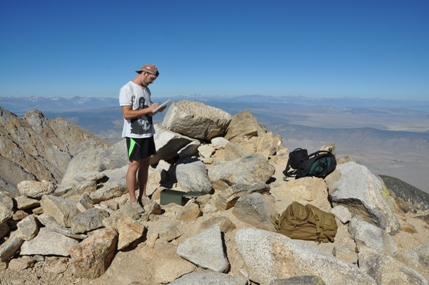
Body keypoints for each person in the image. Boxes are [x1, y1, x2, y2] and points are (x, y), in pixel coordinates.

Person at [119, 63, 166, 212]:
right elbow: (127, 114)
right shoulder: (127, 88)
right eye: (151, 78)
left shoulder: (146, 90)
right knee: (134, 165)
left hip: (147, 132)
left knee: (146, 163)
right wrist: (148, 109)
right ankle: (133, 200)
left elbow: (146, 112)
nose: (152, 81)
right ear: (144, 73)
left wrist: (156, 110)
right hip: (134, 134)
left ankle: (143, 196)